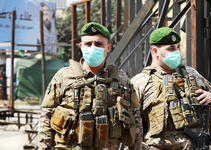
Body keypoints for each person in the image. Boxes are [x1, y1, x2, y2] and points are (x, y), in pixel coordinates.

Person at [38, 22, 142, 150]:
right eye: (88, 44)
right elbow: (46, 117)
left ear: (108, 48)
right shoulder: (63, 77)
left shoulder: (121, 80)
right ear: (81, 46)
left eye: (98, 44)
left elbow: (135, 120)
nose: (93, 47)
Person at [131, 27, 211, 150]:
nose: (176, 52)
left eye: (178, 47)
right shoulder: (141, 81)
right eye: (171, 48)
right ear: (155, 51)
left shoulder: (191, 74)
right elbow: (128, 124)